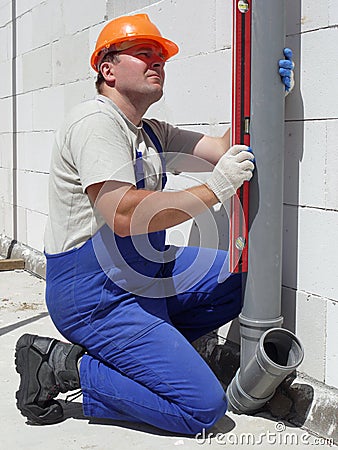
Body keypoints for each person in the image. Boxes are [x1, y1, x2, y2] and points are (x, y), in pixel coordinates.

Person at [15, 14, 294, 434]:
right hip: (95, 295)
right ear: (107, 69)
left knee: (238, 282)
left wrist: (269, 95)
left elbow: (220, 148)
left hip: (146, 274)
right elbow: (125, 215)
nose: (157, 63)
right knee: (202, 407)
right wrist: (214, 191)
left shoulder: (150, 132)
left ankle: (143, 358)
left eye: (161, 57)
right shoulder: (96, 123)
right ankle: (63, 367)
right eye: (143, 54)